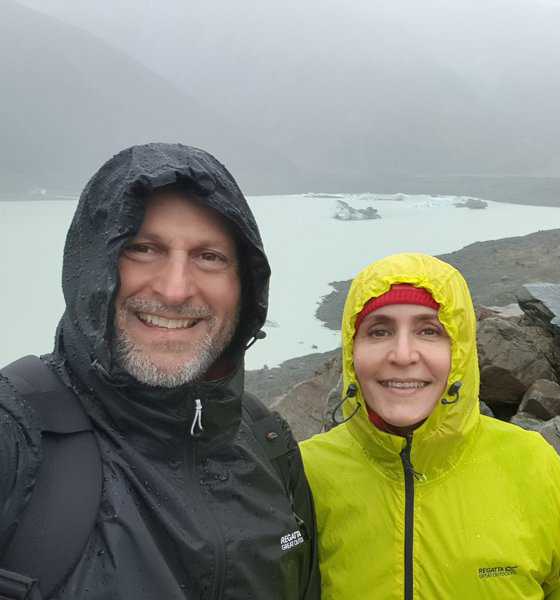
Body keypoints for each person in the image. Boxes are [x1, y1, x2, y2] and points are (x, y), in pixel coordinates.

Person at [0, 143, 320, 599]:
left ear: (245, 286)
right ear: (91, 266)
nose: (174, 290)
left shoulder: (270, 446)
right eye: (143, 248)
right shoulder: (17, 439)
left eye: (209, 256)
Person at [300, 252, 560, 599]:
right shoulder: (303, 474)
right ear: (351, 351)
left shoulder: (535, 467)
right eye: (379, 331)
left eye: (429, 331)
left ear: (460, 349)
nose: (402, 355)